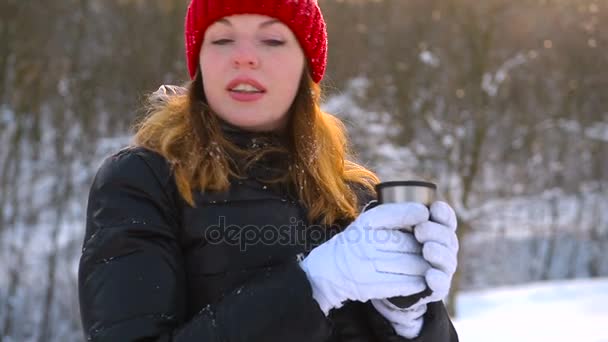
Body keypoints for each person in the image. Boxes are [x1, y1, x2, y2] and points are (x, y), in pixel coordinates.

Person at [78, 0, 460, 341]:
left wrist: (411, 318)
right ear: (199, 62)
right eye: (222, 40)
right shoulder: (142, 182)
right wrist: (315, 285)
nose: (244, 57)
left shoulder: (353, 195)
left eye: (272, 41)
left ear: (306, 67)